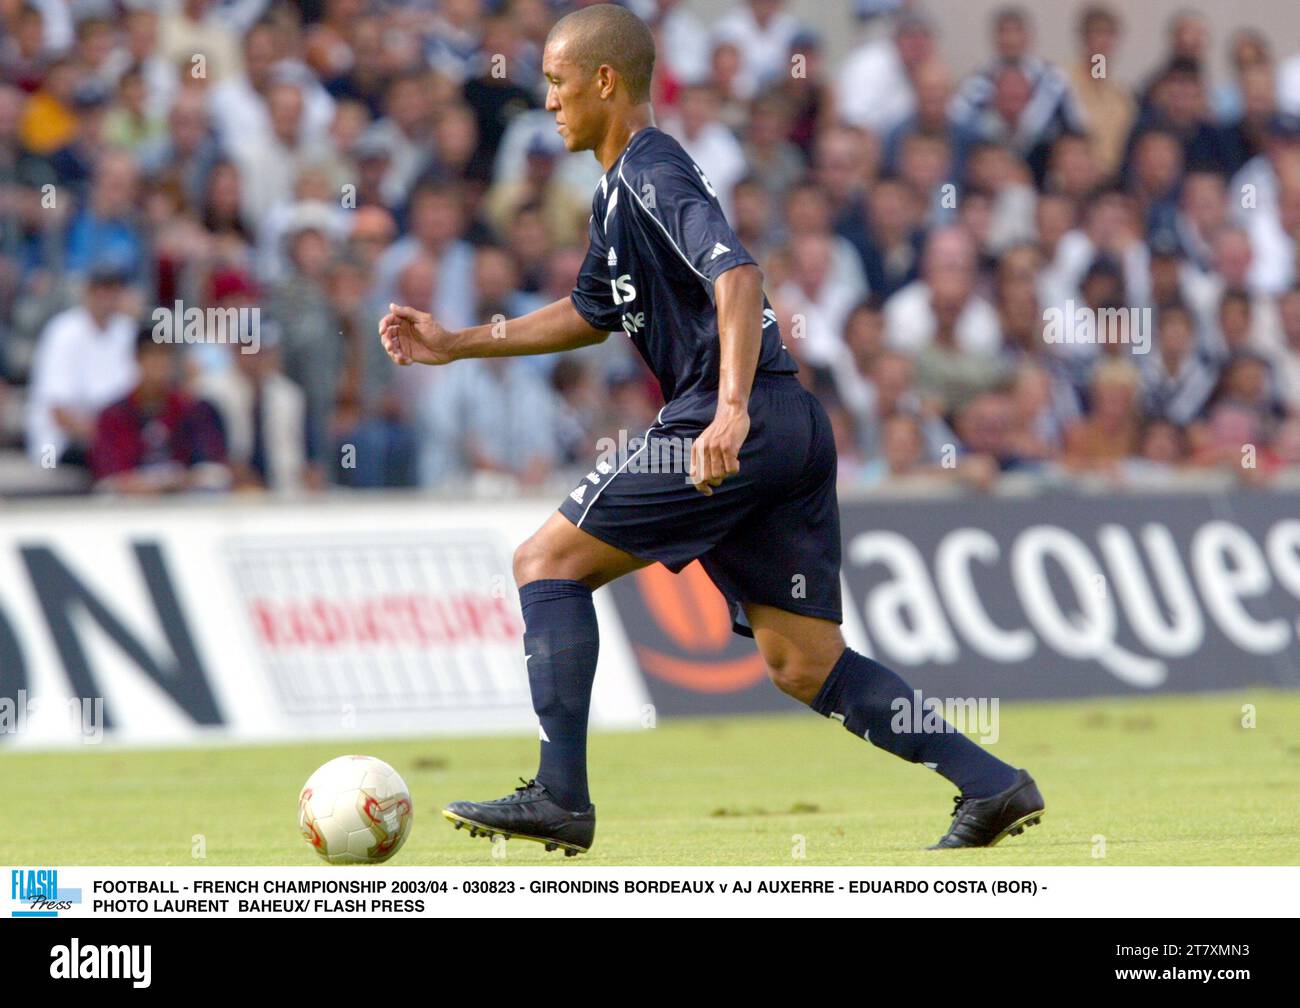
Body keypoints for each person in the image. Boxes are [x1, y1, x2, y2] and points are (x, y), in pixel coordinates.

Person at [379, 4, 1044, 856]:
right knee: (802, 663)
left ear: (605, 80)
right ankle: (989, 783)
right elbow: (591, 314)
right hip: (790, 423)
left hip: (732, 418)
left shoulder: (652, 173)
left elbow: (736, 274)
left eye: (555, 81)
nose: (547, 101)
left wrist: (727, 407)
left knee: (545, 562)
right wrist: (459, 343)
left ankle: (560, 796)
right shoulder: (618, 193)